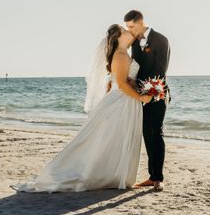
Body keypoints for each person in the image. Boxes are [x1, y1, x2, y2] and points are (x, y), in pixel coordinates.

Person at [11, 24, 152, 193]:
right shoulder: (121, 55)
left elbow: (123, 80)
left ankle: (115, 174)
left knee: (113, 139)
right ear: (118, 37)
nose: (130, 32)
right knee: (107, 139)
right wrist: (141, 97)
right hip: (120, 102)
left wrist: (136, 86)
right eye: (125, 30)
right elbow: (121, 84)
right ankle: (106, 174)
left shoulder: (123, 54)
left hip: (124, 101)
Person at [124, 10, 171, 192]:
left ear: (141, 22)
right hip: (140, 94)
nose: (129, 30)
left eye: (131, 26)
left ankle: (158, 178)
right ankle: (152, 176)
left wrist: (151, 90)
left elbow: (161, 69)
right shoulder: (134, 42)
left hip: (158, 92)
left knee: (156, 132)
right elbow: (135, 65)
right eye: (127, 27)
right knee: (146, 133)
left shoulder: (161, 39)